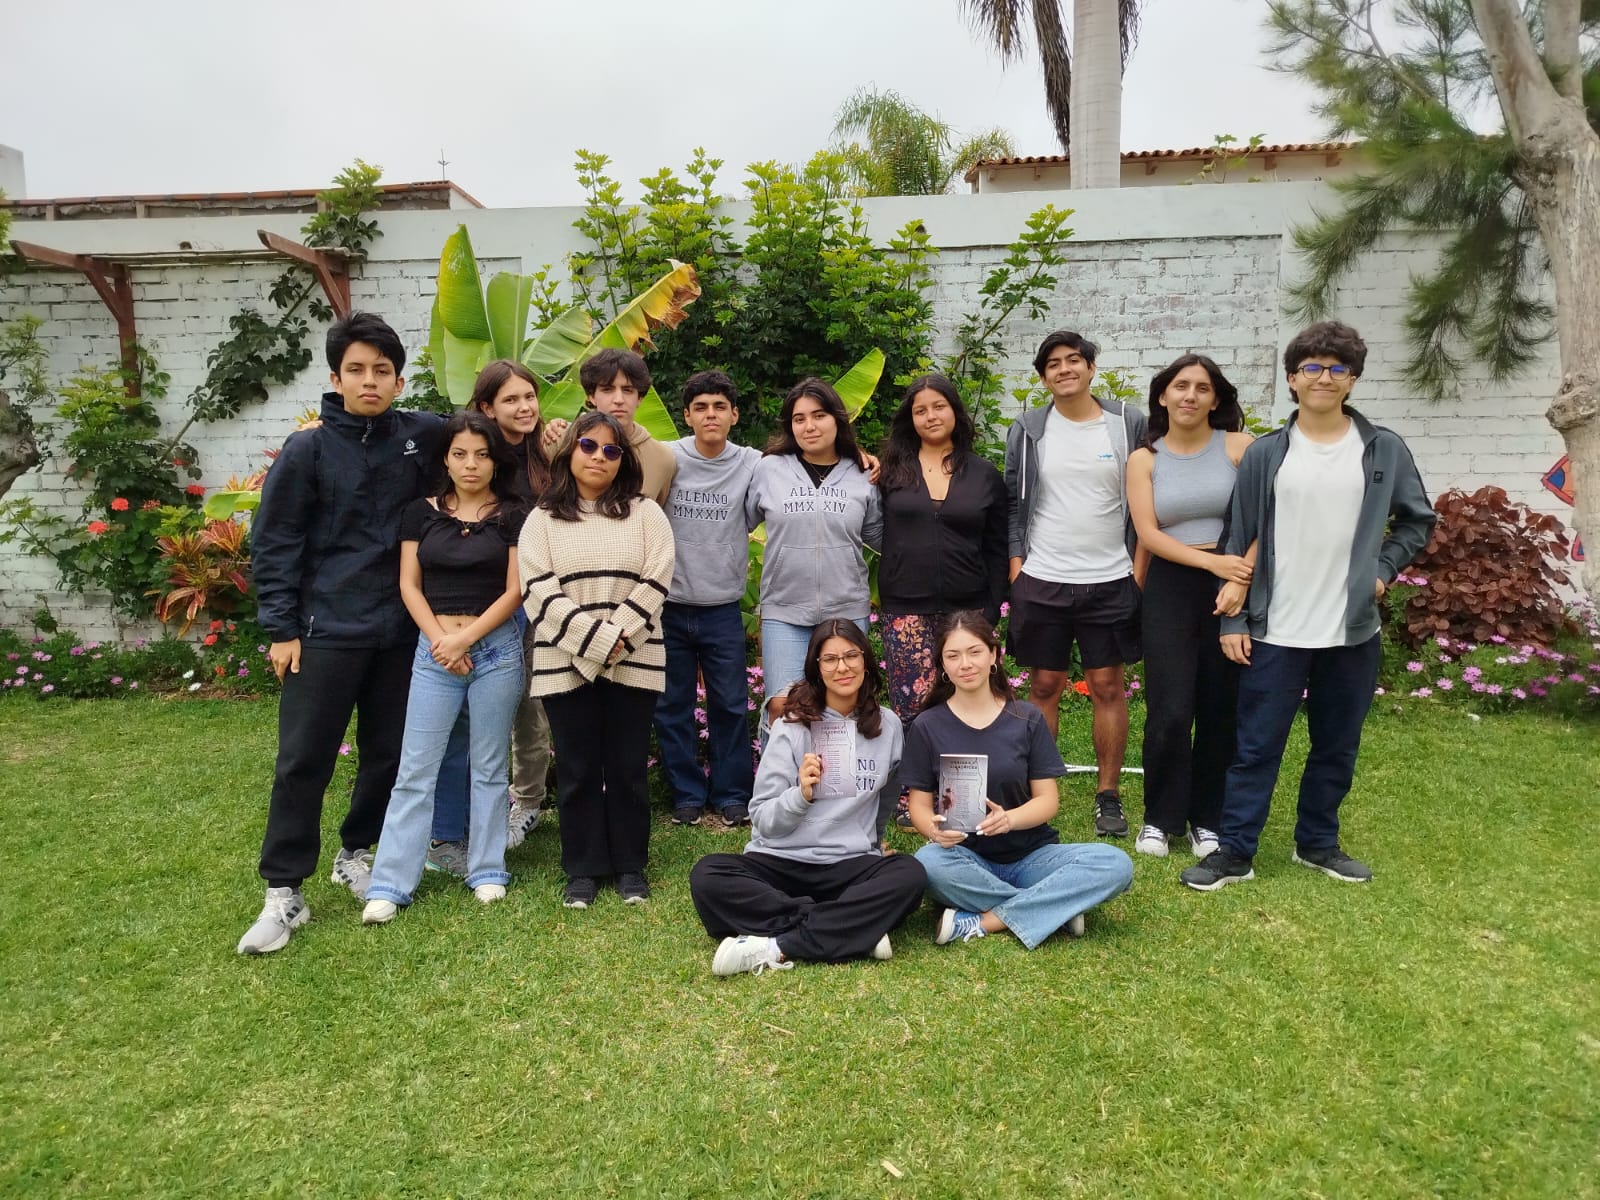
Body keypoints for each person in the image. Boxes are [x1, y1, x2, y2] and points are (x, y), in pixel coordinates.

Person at [1182, 322, 1436, 891]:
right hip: (1278, 626)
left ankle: (1317, 843)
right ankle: (1236, 852)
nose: (1324, 377)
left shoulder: (1382, 449)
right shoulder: (1268, 453)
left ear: (1353, 379)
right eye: (1312, 368)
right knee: (1254, 747)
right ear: (1293, 380)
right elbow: (1237, 537)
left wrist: (1382, 569)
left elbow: (1417, 520)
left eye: (1337, 368)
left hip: (1350, 631)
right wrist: (1234, 619)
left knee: (1336, 744)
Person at [238, 312, 444, 955]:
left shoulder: (421, 436)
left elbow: (488, 446)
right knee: (304, 760)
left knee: (386, 754)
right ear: (336, 377)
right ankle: (283, 892)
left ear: (399, 380)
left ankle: (356, 854)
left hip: (399, 631)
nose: (370, 381)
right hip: (323, 629)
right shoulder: (307, 450)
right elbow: (275, 543)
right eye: (356, 370)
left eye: (382, 371)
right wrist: (280, 628)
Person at [361, 412, 528, 922]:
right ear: (446, 459)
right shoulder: (420, 512)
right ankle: (389, 883)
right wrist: (441, 641)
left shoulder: (515, 514)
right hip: (434, 656)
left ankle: (487, 869)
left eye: (481, 454)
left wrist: (466, 639)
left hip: (495, 649)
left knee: (490, 765)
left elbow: (516, 589)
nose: (471, 464)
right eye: (460, 454)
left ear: (495, 460)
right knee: (415, 769)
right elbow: (409, 584)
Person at [688, 620, 926, 976]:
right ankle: (853, 927)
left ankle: (776, 945)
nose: (842, 667)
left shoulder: (888, 726)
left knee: (910, 874)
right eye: (829, 659)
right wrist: (800, 795)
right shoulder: (792, 725)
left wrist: (874, 843)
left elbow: (886, 796)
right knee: (708, 875)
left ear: (866, 661)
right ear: (816, 667)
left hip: (848, 864)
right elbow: (765, 819)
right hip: (780, 860)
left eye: (850, 656)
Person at [519, 411, 675, 908]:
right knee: (579, 768)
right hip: (563, 663)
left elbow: (656, 583)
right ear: (568, 451)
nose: (599, 457)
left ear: (623, 461)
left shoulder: (647, 513)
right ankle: (582, 869)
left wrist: (611, 643)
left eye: (612, 450)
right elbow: (538, 592)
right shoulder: (541, 519)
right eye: (589, 446)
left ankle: (630, 866)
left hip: (636, 659)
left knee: (628, 766)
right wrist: (594, 646)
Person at [903, 613, 1133, 948]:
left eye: (974, 652)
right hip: (963, 856)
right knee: (927, 862)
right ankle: (1055, 906)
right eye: (953, 656)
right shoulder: (927, 725)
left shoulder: (1026, 717)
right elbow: (919, 805)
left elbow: (1047, 801)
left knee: (1115, 863)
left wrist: (1009, 819)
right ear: (942, 665)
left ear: (994, 656)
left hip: (1031, 856)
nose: (965, 664)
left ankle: (986, 920)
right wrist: (934, 830)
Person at [1003, 330, 1146, 839]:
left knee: (1108, 686)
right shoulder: (1028, 428)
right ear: (1043, 377)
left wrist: (1138, 568)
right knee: (1043, 685)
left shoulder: (1126, 423)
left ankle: (1108, 795)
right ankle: (1043, 791)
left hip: (1110, 579)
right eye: (1053, 364)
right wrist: (1018, 566)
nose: (1064, 370)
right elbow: (1014, 504)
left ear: (1090, 368)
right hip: (1043, 578)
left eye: (1074, 361)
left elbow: (1148, 494)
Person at [425, 361, 554, 876]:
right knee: (461, 721)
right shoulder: (473, 457)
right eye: (510, 400)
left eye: (530, 396)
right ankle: (451, 828)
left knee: (529, 708)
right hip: (469, 608)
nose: (524, 407)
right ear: (485, 407)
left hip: (533, 599)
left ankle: (526, 804)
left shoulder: (548, 451)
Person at [1125, 354, 1255, 859]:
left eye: (1202, 388)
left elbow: (1266, 519)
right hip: (1173, 586)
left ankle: (1208, 819)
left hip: (1234, 585)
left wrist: (1238, 572)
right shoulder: (1146, 459)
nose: (1190, 396)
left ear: (1215, 399)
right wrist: (1212, 566)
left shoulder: (1241, 448)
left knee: (1220, 707)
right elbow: (1149, 534)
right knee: (1171, 709)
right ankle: (1159, 818)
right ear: (1162, 395)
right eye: (1180, 386)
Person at [655, 370, 762, 827]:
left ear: (734, 415)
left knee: (730, 704)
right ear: (687, 415)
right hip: (670, 604)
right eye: (701, 407)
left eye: (719, 406)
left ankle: (733, 793)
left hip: (722, 607)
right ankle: (685, 795)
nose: (710, 414)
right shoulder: (666, 458)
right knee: (672, 705)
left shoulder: (753, 463)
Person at [745, 379, 883, 729]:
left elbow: (880, 536)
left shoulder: (862, 473)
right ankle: (780, 785)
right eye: (799, 418)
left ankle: (842, 784)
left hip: (846, 610)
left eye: (819, 415)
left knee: (844, 707)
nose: (809, 426)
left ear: (837, 419)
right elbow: (740, 522)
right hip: (785, 610)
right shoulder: (769, 469)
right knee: (783, 707)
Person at [876, 374, 1008, 723]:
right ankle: (918, 779)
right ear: (911, 419)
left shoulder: (984, 475)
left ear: (955, 412)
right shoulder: (888, 473)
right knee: (913, 711)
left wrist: (991, 611)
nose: (930, 416)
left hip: (969, 610)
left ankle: (975, 778)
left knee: (972, 703)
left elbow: (997, 549)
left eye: (939, 407)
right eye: (921, 410)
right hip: (906, 611)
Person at [581, 347, 676, 506]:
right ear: (592, 396)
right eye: (607, 389)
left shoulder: (662, 459)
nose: (618, 399)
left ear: (639, 397)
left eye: (627, 390)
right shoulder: (562, 441)